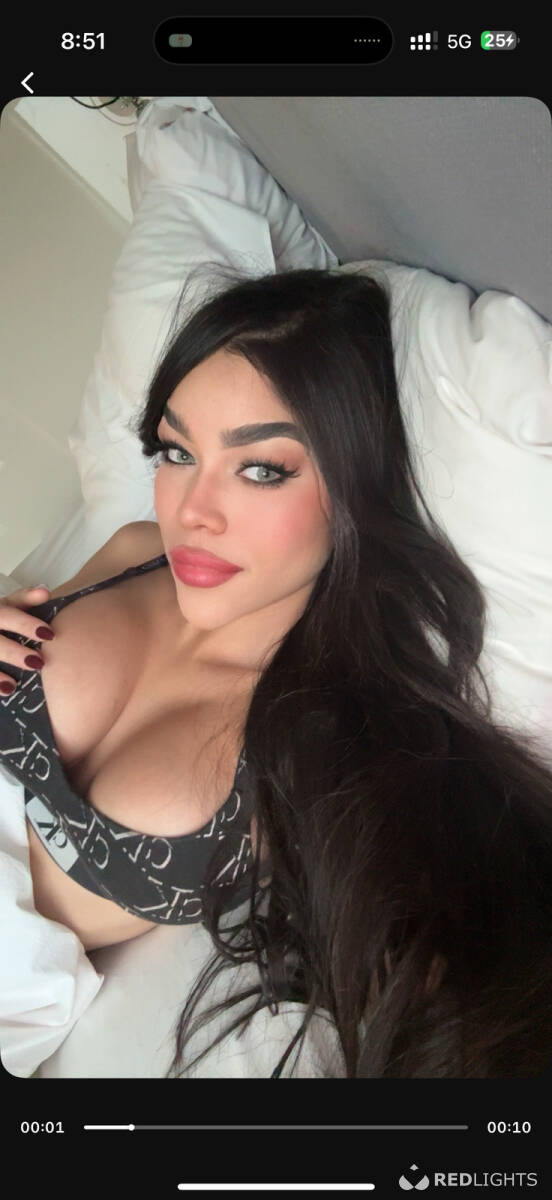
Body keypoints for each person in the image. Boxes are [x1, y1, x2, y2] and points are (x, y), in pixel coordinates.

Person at [1, 265, 552, 1079]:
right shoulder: (130, 551)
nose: (191, 511)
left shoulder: (333, 734)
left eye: (261, 469)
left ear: (353, 487)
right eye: (176, 451)